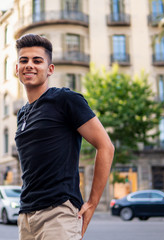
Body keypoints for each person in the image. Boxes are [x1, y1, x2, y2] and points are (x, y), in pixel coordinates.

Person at [14, 34, 114, 239]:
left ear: (50, 69)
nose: (29, 65)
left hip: (58, 213)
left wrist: (93, 203)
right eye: (23, 60)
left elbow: (106, 146)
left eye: (37, 60)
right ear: (17, 69)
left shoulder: (64, 99)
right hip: (26, 216)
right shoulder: (23, 113)